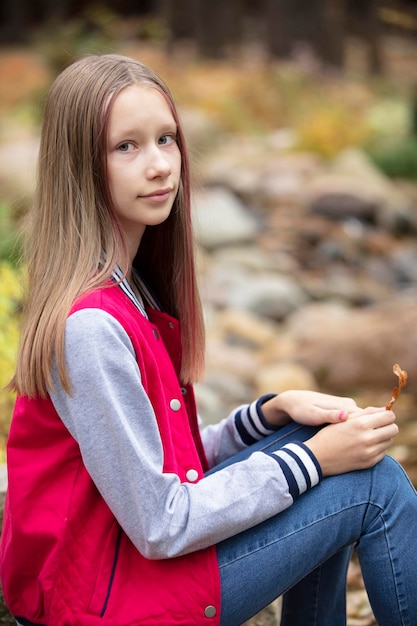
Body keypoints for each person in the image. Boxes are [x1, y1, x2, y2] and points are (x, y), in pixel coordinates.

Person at [1, 53, 416, 626]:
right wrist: (312, 463)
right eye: (127, 147)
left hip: (120, 573)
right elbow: (161, 521)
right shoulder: (90, 326)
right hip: (106, 601)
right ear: (80, 168)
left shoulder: (129, 295)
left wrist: (268, 417)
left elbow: (161, 463)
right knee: (375, 486)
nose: (159, 166)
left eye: (166, 139)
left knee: (314, 439)